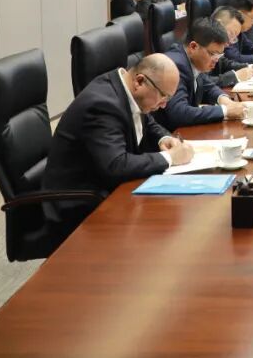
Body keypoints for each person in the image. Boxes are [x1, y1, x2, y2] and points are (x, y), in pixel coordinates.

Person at [43, 54, 194, 233]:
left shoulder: (125, 87)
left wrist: (164, 138)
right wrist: (169, 157)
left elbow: (146, 120)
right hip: (78, 207)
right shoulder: (102, 105)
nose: (164, 105)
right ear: (139, 81)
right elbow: (116, 165)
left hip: (107, 189)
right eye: (164, 96)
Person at [154, 17, 245, 130]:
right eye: (212, 54)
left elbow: (207, 85)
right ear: (193, 47)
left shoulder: (191, 61)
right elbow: (179, 113)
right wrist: (225, 111)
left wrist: (224, 100)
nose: (216, 60)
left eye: (219, 55)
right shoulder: (175, 66)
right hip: (168, 135)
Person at [209, 6, 253, 88]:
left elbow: (224, 64)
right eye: (231, 34)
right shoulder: (200, 44)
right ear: (218, 25)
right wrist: (234, 76)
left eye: (234, 38)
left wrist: (248, 67)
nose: (230, 42)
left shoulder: (216, 47)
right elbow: (203, 82)